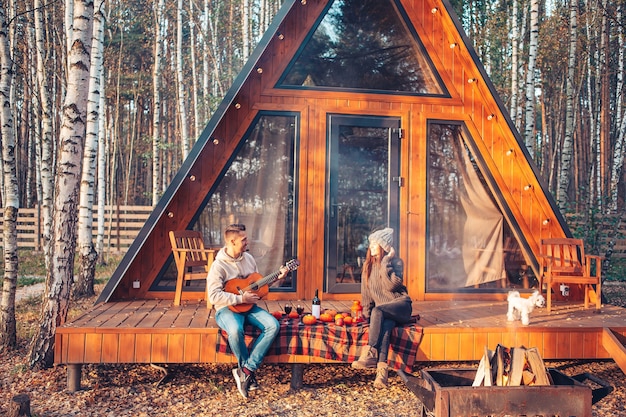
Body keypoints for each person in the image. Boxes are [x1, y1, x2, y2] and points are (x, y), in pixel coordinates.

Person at [207, 223, 289, 399]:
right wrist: (239, 299)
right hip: (226, 309)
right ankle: (246, 374)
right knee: (236, 330)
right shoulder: (218, 266)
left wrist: (278, 278)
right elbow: (213, 296)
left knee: (273, 325)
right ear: (232, 241)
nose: (247, 242)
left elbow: (258, 286)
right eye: (243, 240)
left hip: (249, 307)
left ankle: (246, 369)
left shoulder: (249, 259)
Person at [351, 227, 413, 389]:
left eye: (375, 243)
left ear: (384, 247)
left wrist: (386, 262)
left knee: (378, 312)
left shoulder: (396, 263)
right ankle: (381, 375)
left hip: (401, 306)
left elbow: (392, 285)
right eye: (370, 243)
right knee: (385, 327)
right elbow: (367, 296)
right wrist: (367, 317)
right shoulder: (367, 267)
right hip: (384, 314)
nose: (371, 246)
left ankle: (370, 350)